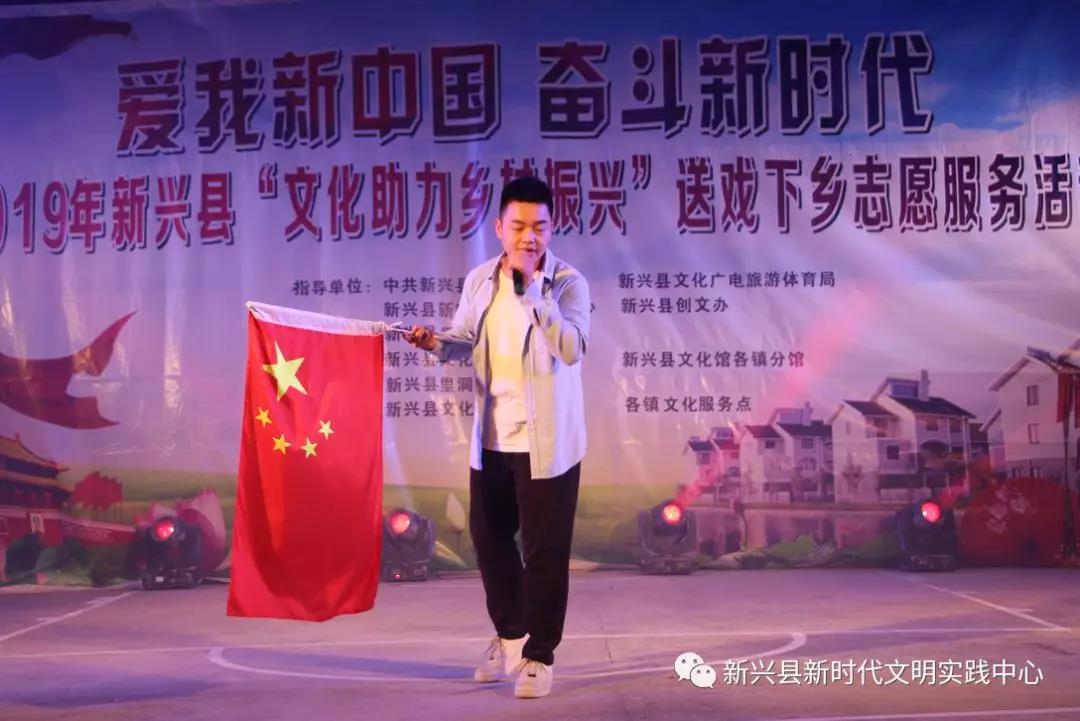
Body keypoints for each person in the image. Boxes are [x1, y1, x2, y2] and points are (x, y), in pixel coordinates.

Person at [404, 175, 589, 699]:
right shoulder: (480, 280)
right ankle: (511, 635)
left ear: (551, 228)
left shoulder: (567, 284)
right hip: (492, 438)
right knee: (489, 540)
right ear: (500, 228)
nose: (530, 237)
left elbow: (572, 348)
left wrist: (534, 294)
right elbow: (464, 340)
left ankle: (539, 656)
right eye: (519, 226)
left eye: (540, 227)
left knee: (545, 551)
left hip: (548, 445)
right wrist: (434, 342)